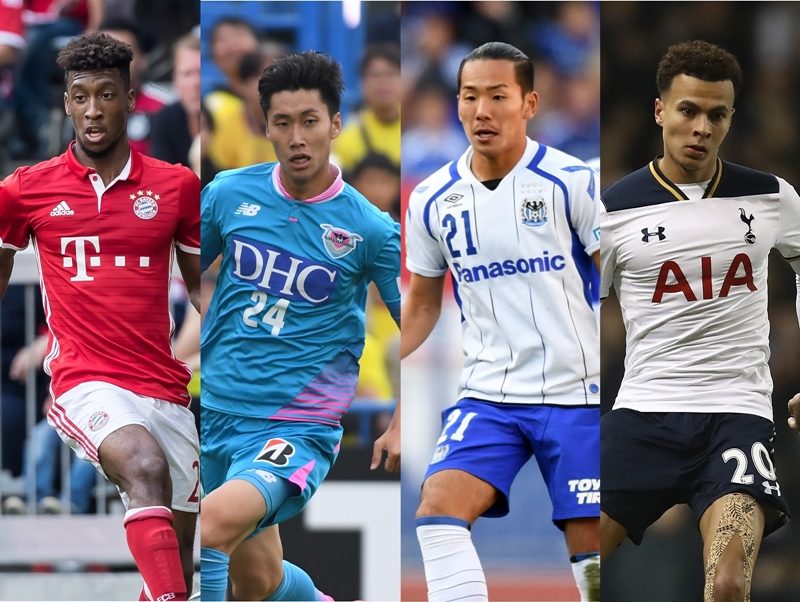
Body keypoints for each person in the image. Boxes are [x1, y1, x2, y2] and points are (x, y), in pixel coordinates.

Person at [0, 32, 201, 601]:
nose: (93, 110)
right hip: (84, 382)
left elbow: (202, 290)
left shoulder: (176, 187)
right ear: (65, 103)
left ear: (131, 99)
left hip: (163, 384)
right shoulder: (24, 191)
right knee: (142, 465)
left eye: (106, 95)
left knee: (176, 569)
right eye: (80, 96)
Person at [600, 40, 800, 602]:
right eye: (688, 110)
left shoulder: (770, 197)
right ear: (661, 110)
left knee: (730, 582)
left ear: (731, 119)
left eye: (717, 115)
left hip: (736, 416)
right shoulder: (612, 213)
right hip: (644, 413)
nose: (701, 127)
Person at [199, 51, 401, 601]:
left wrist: (405, 418)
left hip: (297, 425)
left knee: (211, 524)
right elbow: (177, 271)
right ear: (265, 125)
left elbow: (418, 321)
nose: (296, 137)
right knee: (259, 582)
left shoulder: (369, 228)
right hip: (218, 414)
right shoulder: (227, 195)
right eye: (282, 123)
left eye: (310, 121)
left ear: (336, 124)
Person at [404, 42, 601, 602]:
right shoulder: (432, 198)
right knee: (438, 508)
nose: (481, 111)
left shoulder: (572, 182)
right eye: (470, 97)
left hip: (576, 392)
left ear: (529, 103)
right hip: (489, 392)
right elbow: (421, 303)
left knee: (589, 541)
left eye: (497, 96)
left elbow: (616, 281)